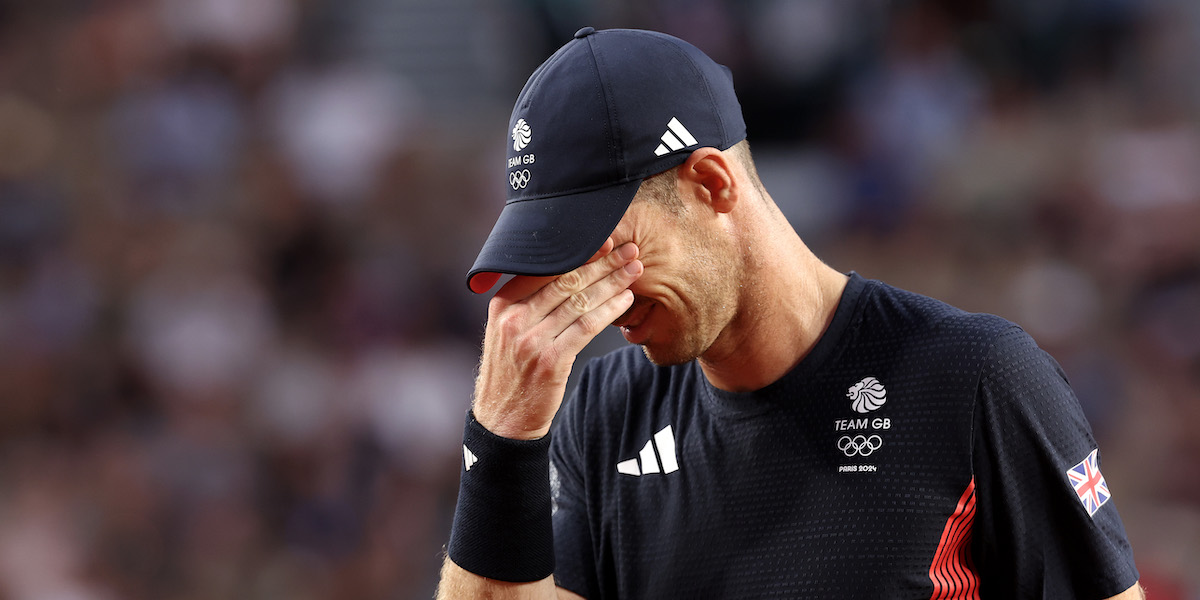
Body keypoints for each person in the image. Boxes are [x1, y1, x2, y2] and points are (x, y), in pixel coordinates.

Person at [437, 27, 1143, 599]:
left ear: (710, 184)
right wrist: (499, 442)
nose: (585, 291)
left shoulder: (975, 379)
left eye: (597, 247)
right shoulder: (602, 414)